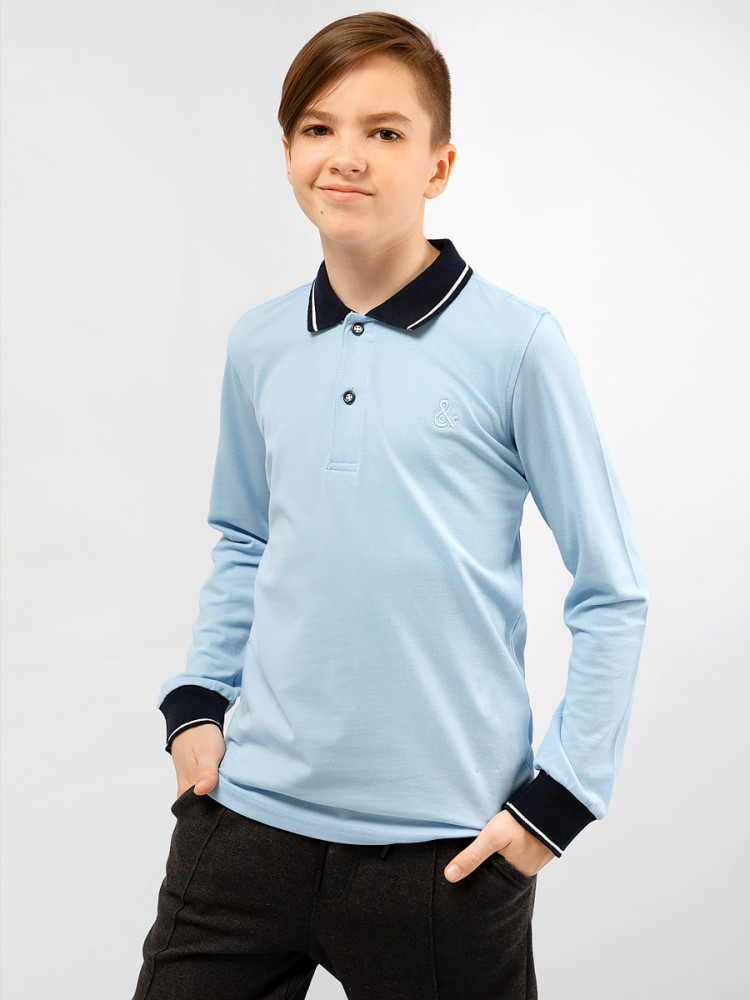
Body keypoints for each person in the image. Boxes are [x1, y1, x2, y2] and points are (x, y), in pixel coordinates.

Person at [131, 11, 649, 1000]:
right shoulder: (259, 344)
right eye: (318, 128)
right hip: (245, 825)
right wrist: (197, 700)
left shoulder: (518, 346)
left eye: (385, 131)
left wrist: (558, 803)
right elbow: (243, 536)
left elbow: (612, 588)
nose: (347, 155)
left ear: (438, 166)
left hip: (445, 853)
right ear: (288, 152)